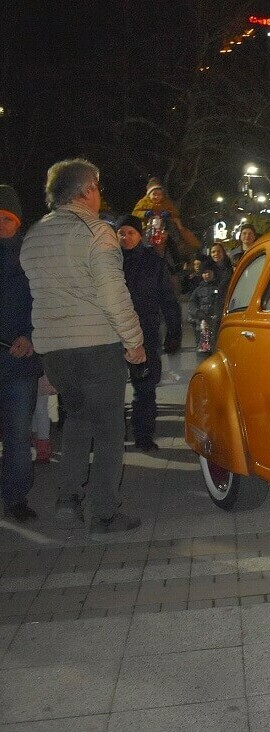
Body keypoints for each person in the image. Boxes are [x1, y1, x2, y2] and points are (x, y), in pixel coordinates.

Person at [20, 159, 145, 535]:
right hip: (97, 347)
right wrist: (134, 342)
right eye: (97, 188)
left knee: (76, 419)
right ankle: (104, 513)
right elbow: (113, 294)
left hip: (55, 351)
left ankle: (67, 499)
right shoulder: (97, 232)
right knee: (109, 430)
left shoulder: (34, 235)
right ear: (88, 189)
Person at [116, 215, 182, 451]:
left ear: (139, 235)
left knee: (145, 387)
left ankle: (143, 435)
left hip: (146, 333)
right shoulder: (109, 261)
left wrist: (174, 331)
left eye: (130, 233)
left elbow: (168, 299)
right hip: (114, 334)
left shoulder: (153, 262)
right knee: (113, 389)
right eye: (121, 233)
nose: (126, 238)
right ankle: (115, 435)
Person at [0, 184, 42, 522]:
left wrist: (30, 336)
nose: (1, 224)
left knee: (17, 435)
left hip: (20, 363)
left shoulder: (32, 256)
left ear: (18, 221)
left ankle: (15, 497)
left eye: (7, 218)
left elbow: (43, 302)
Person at [188, 264, 223, 353]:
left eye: (209, 272)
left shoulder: (219, 287)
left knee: (217, 348)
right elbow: (192, 303)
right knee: (202, 350)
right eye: (204, 273)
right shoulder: (198, 290)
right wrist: (197, 313)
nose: (207, 275)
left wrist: (217, 314)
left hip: (216, 322)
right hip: (201, 323)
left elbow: (222, 302)